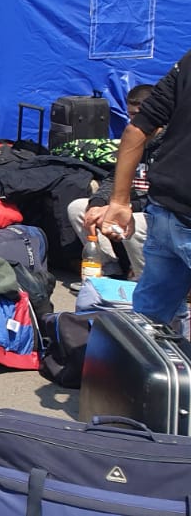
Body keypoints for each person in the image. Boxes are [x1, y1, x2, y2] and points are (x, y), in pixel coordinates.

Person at [92, 48, 191, 328]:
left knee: (150, 320)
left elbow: (136, 129)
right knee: (153, 318)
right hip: (175, 211)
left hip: (164, 210)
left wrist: (119, 201)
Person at [69, 84, 158, 278]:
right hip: (128, 205)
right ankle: (108, 269)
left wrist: (123, 207)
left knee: (133, 223)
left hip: (158, 213)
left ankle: (143, 281)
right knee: (78, 208)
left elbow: (163, 196)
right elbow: (114, 178)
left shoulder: (171, 145)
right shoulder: (133, 140)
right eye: (130, 115)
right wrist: (97, 204)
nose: (133, 121)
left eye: (138, 115)